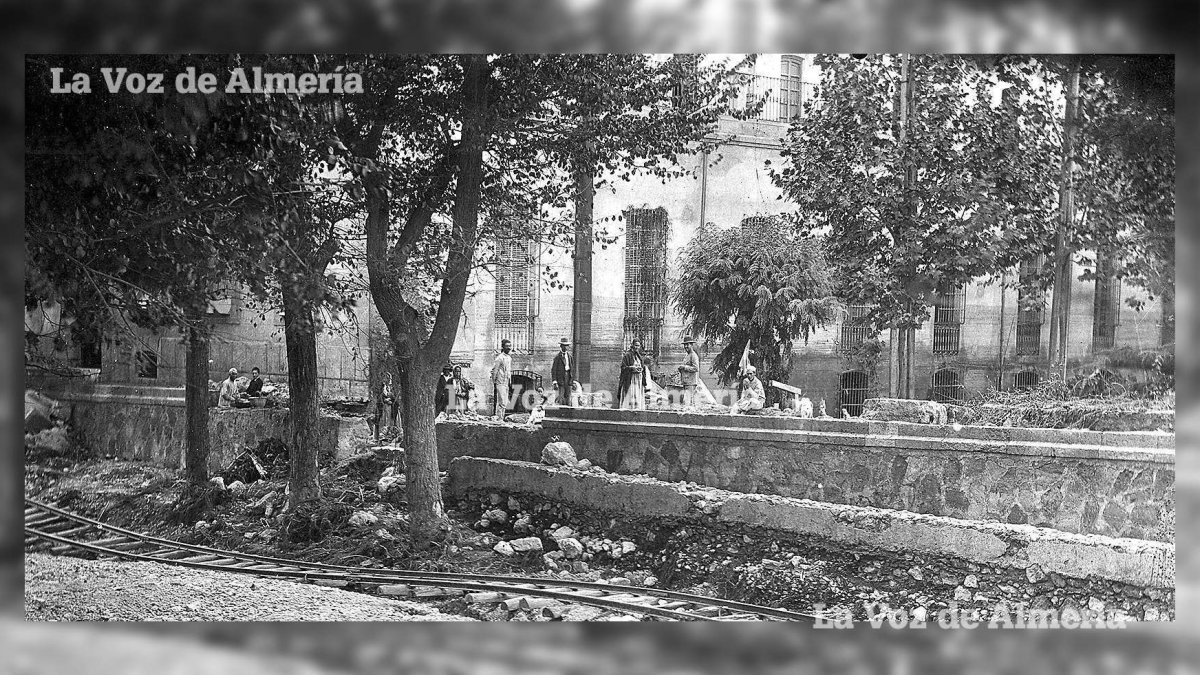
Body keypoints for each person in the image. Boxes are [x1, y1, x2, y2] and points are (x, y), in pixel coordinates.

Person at [615, 339, 647, 410]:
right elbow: (623, 367)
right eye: (635, 345)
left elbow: (642, 366)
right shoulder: (627, 355)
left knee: (637, 394)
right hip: (630, 379)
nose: (637, 347)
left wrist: (641, 369)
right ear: (632, 345)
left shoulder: (639, 356)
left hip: (638, 379)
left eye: (638, 346)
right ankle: (629, 409)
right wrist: (631, 368)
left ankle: (637, 409)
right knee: (631, 393)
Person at [489, 339, 513, 418]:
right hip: (500, 381)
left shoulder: (509, 358)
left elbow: (509, 371)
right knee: (501, 401)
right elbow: (494, 370)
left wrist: (509, 382)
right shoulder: (499, 358)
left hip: (506, 382)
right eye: (507, 346)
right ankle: (499, 418)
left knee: (505, 402)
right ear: (503, 347)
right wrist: (494, 382)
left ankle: (500, 417)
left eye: (510, 346)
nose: (509, 348)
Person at [677, 335, 700, 408]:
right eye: (685, 345)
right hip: (686, 382)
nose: (686, 346)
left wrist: (684, 367)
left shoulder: (693, 356)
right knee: (687, 403)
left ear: (692, 345)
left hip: (691, 383)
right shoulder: (687, 355)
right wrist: (681, 369)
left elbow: (696, 368)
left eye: (687, 344)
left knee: (688, 403)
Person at [550, 337, 573, 407]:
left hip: (568, 378)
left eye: (567, 346)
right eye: (564, 345)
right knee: (561, 397)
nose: (565, 347)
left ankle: (569, 414)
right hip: (561, 380)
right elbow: (553, 370)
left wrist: (572, 380)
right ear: (561, 346)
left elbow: (572, 369)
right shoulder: (557, 357)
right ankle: (561, 413)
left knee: (568, 397)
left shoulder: (570, 357)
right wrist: (554, 382)